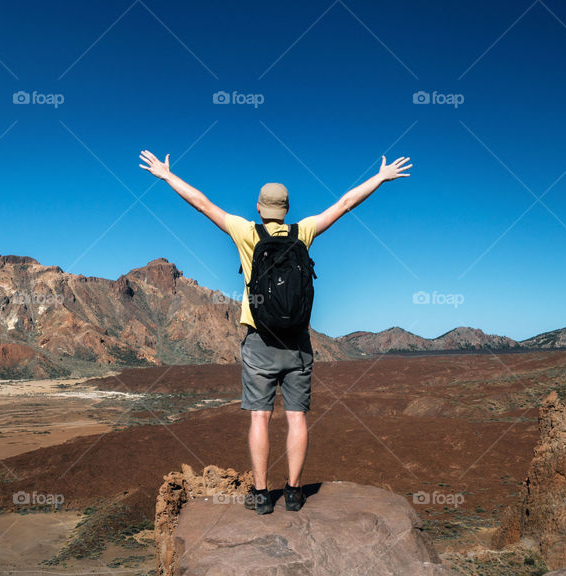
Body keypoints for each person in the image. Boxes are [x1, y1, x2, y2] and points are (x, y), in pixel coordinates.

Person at [139, 150, 411, 514]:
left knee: (260, 416)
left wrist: (166, 176)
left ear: (259, 207)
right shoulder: (305, 231)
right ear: (286, 208)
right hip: (297, 342)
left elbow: (202, 204)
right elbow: (345, 203)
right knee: (297, 416)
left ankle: (263, 494)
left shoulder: (246, 232)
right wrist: (379, 178)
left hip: (259, 341)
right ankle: (295, 492)